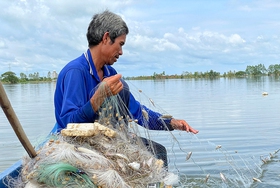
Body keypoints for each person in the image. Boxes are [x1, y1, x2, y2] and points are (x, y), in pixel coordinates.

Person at [52, 10, 198, 166]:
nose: (121, 52)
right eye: (120, 44)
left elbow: (138, 113)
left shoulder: (110, 73)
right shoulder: (76, 72)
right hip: (79, 146)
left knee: (159, 152)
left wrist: (172, 123)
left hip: (108, 141)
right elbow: (68, 124)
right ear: (106, 38)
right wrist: (98, 98)